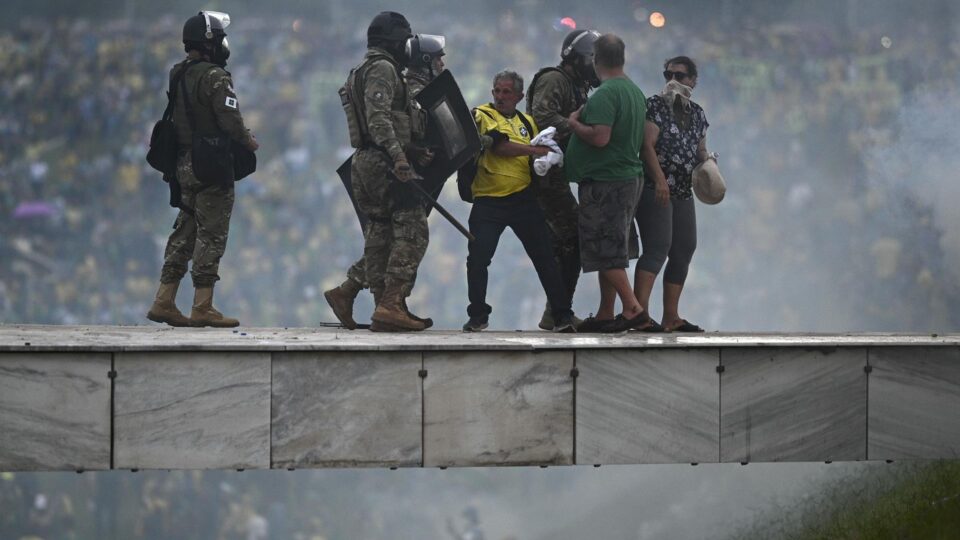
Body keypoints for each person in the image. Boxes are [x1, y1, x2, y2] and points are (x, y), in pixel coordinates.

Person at [146, 11, 259, 328]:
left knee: (184, 231)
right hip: (211, 165)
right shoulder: (215, 77)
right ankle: (202, 306)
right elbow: (230, 119)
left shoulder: (177, 72)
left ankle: (164, 300)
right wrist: (248, 140)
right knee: (211, 234)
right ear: (211, 42)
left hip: (183, 163)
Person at [324, 32, 444, 330]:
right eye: (439, 57)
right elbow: (383, 121)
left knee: (382, 233)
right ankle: (390, 304)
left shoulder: (367, 72)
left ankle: (355, 295)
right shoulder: (398, 78)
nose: (443, 63)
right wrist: (402, 156)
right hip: (385, 162)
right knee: (413, 230)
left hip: (367, 161)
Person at [461, 71, 576, 333]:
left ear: (519, 96)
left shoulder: (528, 122)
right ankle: (478, 315)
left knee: (545, 257)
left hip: (523, 199)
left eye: (506, 92)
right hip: (488, 200)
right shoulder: (482, 115)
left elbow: (541, 149)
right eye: (497, 91)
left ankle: (562, 315)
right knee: (478, 259)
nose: (500, 97)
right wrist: (536, 151)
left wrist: (547, 160)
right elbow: (500, 147)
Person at [565, 33, 656, 332]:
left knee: (605, 248)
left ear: (596, 59)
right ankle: (606, 312)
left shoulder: (606, 94)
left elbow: (600, 137)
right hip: (628, 178)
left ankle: (632, 309)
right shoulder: (633, 91)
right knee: (614, 246)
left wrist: (575, 124)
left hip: (607, 181)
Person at [525, 29, 601, 330]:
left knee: (568, 243)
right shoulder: (554, 80)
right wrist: (577, 127)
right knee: (572, 238)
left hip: (557, 173)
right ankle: (559, 313)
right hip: (545, 174)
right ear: (580, 58)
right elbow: (542, 117)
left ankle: (557, 311)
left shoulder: (575, 85)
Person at [635, 56, 710, 332]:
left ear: (692, 80)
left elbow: (700, 150)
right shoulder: (655, 106)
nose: (672, 81)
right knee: (657, 247)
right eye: (668, 75)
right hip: (657, 188)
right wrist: (659, 179)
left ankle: (671, 316)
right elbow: (647, 145)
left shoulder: (698, 114)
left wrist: (709, 165)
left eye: (679, 75)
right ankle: (638, 313)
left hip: (682, 189)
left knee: (684, 248)